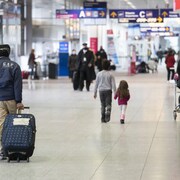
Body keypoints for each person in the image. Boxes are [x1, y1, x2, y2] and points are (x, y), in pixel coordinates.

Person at [0, 44, 24, 160]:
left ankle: (2, 150)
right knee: (13, 124)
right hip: (11, 100)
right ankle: (11, 148)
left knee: (1, 125)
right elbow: (17, 86)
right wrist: (19, 101)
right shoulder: (15, 66)